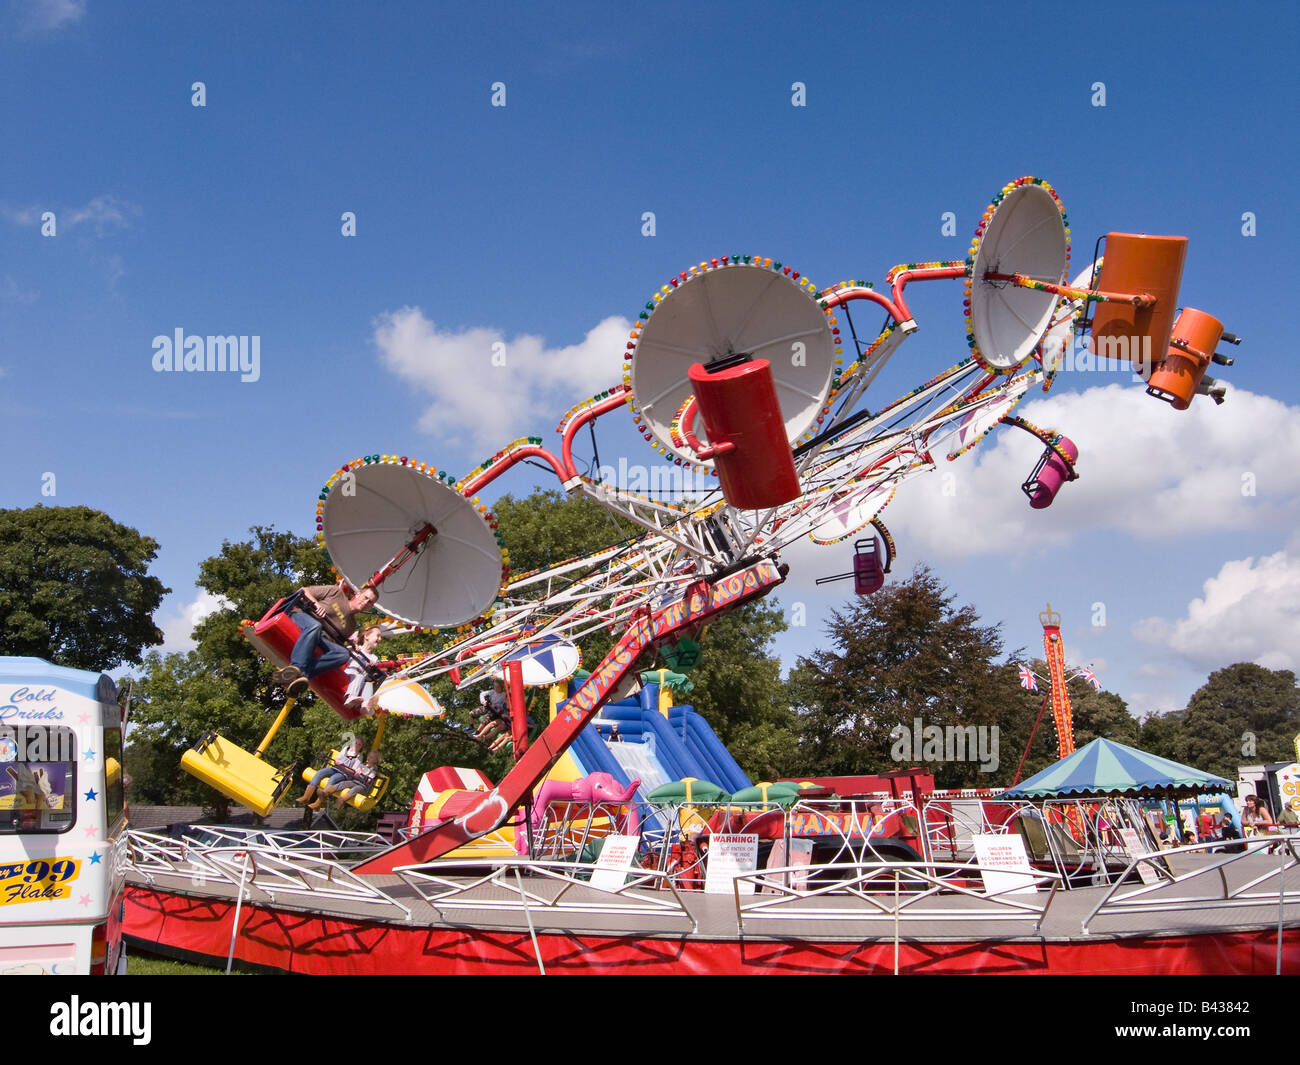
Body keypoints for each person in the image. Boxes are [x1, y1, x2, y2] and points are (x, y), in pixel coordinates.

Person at [272, 582, 379, 697]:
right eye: (365, 597)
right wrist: (316, 604)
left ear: (370, 607)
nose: (365, 602)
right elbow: (305, 590)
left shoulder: (351, 625)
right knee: (315, 626)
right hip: (303, 618)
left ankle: (298, 673)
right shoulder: (336, 592)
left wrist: (352, 648)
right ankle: (297, 668)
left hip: (320, 638)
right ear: (358, 594)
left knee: (343, 654)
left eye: (370, 602)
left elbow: (335, 643)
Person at [296, 738, 363, 806]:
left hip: (344, 774)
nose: (356, 745)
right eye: (356, 743)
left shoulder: (359, 757)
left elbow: (352, 771)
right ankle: (306, 797)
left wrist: (342, 766)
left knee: (333, 779)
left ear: (361, 747)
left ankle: (318, 803)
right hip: (335, 768)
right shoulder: (346, 749)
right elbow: (337, 759)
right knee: (320, 773)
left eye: (359, 744)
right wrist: (337, 763)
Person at [344, 625, 386, 714]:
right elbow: (343, 649)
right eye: (378, 635)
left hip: (362, 679)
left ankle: (365, 704)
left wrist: (372, 667)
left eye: (380, 636)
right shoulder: (356, 648)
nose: (380, 639)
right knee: (358, 676)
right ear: (366, 636)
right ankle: (351, 696)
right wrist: (353, 646)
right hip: (351, 673)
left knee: (368, 684)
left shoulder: (374, 658)